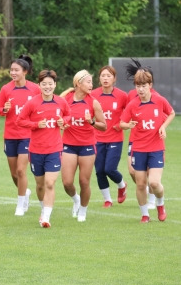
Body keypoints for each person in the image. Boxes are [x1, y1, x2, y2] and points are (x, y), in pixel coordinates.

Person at [120, 64, 175, 223]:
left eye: (144, 86)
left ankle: (160, 203)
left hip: (156, 148)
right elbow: (122, 123)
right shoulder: (132, 104)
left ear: (150, 85)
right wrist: (127, 125)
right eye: (138, 86)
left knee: (154, 183)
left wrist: (163, 127)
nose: (141, 89)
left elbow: (171, 113)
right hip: (138, 149)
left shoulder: (159, 100)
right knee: (140, 183)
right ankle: (145, 214)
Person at [17, 70, 71, 228]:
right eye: (44, 84)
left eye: (50, 84)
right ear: (39, 85)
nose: (47, 87)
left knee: (49, 183)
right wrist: (35, 125)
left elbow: (68, 116)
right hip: (36, 150)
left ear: (55, 84)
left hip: (54, 149)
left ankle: (46, 217)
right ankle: (43, 209)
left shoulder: (61, 102)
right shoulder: (32, 103)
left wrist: (63, 121)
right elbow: (20, 120)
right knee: (40, 185)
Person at [0, 56, 40, 216]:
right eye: (11, 70)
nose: (13, 73)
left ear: (25, 72)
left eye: (16, 70)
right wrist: (4, 109)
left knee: (21, 170)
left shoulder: (35, 89)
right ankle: (25, 192)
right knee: (14, 174)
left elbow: (41, 106)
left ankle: (20, 205)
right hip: (11, 135)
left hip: (27, 135)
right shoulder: (6, 89)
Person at [60, 70, 106, 222]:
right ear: (78, 83)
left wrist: (92, 122)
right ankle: (76, 200)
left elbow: (103, 126)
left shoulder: (93, 102)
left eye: (92, 82)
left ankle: (83, 211)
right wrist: (61, 124)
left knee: (84, 181)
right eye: (88, 82)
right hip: (68, 145)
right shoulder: (65, 99)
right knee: (67, 182)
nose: (91, 85)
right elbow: (56, 116)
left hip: (87, 146)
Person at [91, 66, 129, 208]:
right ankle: (107, 199)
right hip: (96, 139)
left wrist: (120, 124)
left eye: (108, 76)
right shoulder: (93, 95)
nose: (105, 78)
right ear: (99, 78)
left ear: (114, 79)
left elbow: (129, 112)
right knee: (99, 171)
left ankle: (122, 185)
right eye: (103, 76)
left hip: (115, 138)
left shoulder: (122, 96)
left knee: (109, 169)